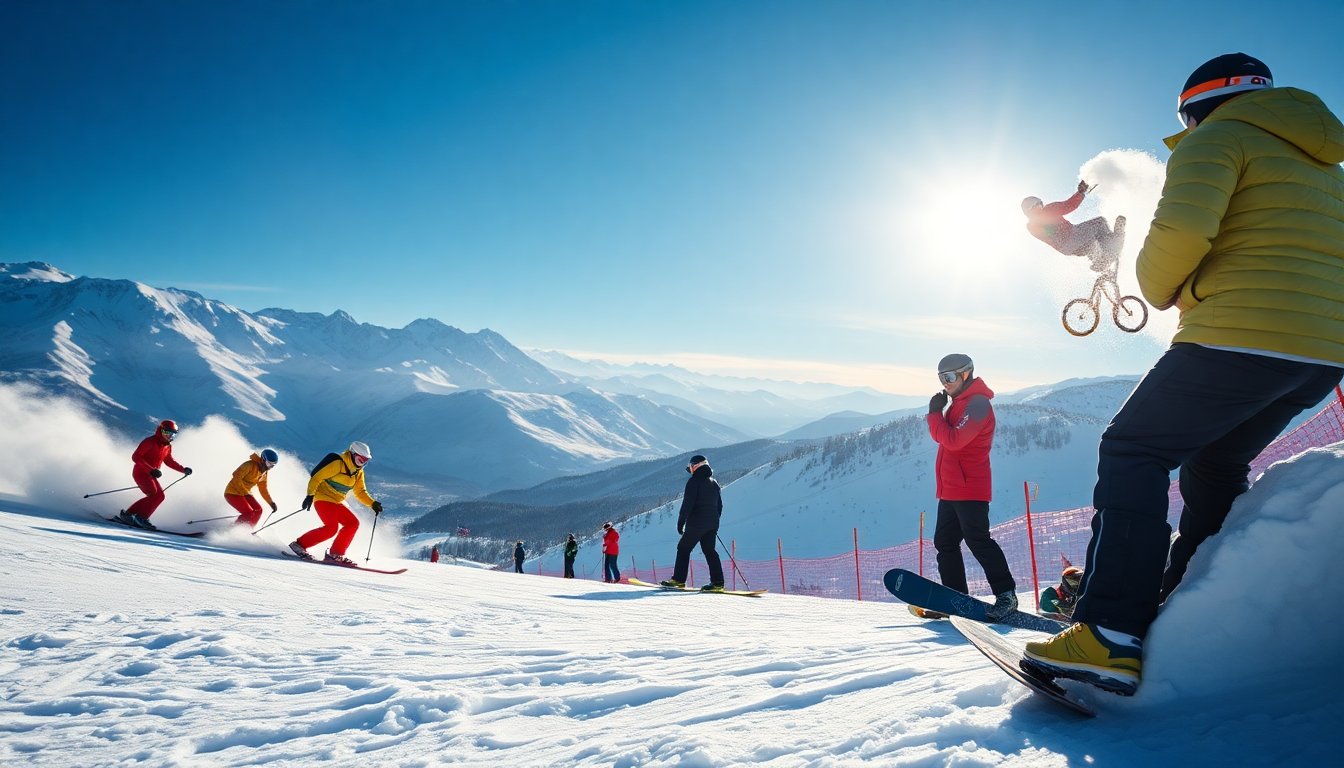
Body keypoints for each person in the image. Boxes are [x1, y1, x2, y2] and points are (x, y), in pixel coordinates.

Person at [1025, 53, 1344, 696]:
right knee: (1214, 461)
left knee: (1133, 448)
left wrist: (1157, 286)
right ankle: (1199, 600)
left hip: (1244, 331)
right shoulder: (1325, 165)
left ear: (1198, 105)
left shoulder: (1218, 139)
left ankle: (1110, 631)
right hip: (1323, 349)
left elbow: (1178, 237)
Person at [925, 354, 1018, 620]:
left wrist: (934, 415)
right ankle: (955, 598)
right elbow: (944, 440)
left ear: (966, 374)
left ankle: (1006, 596)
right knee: (945, 542)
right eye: (942, 378)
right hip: (950, 488)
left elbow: (953, 440)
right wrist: (939, 414)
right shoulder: (959, 404)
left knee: (978, 541)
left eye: (950, 377)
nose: (945, 383)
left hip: (969, 488)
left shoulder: (978, 405)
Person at [288, 441, 383, 566]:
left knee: (352, 523)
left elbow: (360, 492)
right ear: (352, 454)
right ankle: (299, 545)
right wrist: (310, 495)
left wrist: (372, 503)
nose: (362, 464)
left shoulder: (358, 472)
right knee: (331, 528)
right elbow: (316, 477)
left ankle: (336, 554)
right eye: (361, 460)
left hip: (337, 501)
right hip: (323, 497)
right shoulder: (338, 464)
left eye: (365, 461)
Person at [1022, 180, 1126, 273]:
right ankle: (1112, 245)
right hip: (1071, 236)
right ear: (1031, 209)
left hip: (1067, 249)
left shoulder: (1031, 227)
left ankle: (1100, 261)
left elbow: (1047, 233)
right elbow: (1068, 206)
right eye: (1038, 205)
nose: (1041, 206)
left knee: (1091, 243)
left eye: (1041, 203)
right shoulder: (1048, 211)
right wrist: (1080, 192)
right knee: (1099, 222)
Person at [661, 454, 726, 592]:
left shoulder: (694, 482)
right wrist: (713, 521)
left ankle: (678, 580)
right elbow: (719, 506)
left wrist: (681, 522)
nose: (690, 469)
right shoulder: (714, 482)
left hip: (696, 523)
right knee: (710, 551)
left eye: (691, 466)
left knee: (683, 549)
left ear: (696, 466)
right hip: (712, 523)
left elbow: (687, 504)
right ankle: (718, 583)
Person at [118, 419, 192, 531]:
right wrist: (151, 469)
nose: (169, 436)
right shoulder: (150, 442)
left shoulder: (167, 446)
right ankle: (140, 517)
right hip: (141, 472)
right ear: (160, 430)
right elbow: (136, 457)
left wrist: (183, 469)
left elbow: (168, 461)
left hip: (151, 474)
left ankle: (129, 514)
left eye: (172, 434)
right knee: (153, 494)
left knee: (160, 496)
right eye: (167, 432)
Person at [223, 449, 279, 527]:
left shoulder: (264, 473)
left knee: (258, 510)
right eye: (269, 464)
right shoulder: (249, 465)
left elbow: (263, 489)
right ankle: (232, 530)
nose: (269, 467)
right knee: (248, 513)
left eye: (272, 465)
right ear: (263, 459)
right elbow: (236, 477)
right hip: (232, 493)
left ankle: (248, 530)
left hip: (245, 493)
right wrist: (245, 493)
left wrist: (271, 503)